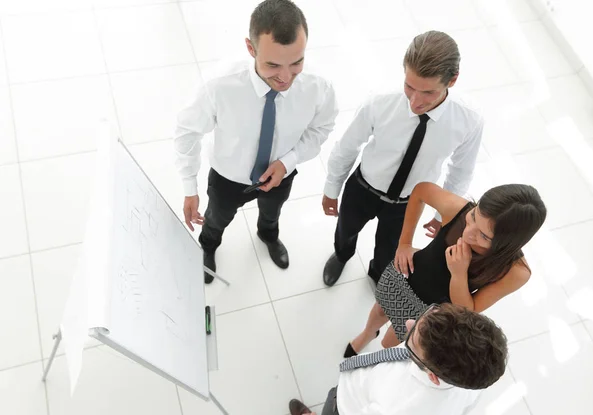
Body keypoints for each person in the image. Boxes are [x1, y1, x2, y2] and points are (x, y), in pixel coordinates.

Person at [174, 0, 338, 283]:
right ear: (251, 49)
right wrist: (190, 187)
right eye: (273, 65)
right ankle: (209, 246)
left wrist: (287, 163)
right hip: (229, 177)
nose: (286, 78)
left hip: (281, 173)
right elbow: (187, 132)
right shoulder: (219, 85)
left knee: (273, 212)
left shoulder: (318, 86)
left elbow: (322, 128)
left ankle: (268, 235)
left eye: (296, 62)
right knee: (216, 219)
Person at [322, 30, 484, 287]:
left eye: (428, 93)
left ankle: (377, 275)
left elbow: (461, 170)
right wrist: (332, 188)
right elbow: (347, 147)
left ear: (452, 80)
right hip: (363, 188)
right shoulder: (380, 101)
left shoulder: (468, 121)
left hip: (408, 205)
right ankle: (342, 255)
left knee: (389, 251)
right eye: (409, 87)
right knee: (345, 230)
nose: (415, 102)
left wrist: (444, 214)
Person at [345, 182, 547, 357]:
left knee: (390, 343)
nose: (468, 234)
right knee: (380, 309)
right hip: (410, 273)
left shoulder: (515, 271)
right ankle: (367, 334)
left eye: (484, 236)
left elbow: (468, 310)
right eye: (474, 216)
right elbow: (421, 191)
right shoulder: (457, 209)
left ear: (506, 244)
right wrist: (405, 243)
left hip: (432, 309)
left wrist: (459, 273)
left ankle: (376, 361)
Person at [289, 303, 508, 415]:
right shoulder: (475, 374)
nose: (409, 323)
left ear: (432, 376)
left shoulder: (397, 407)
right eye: (428, 313)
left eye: (412, 341)